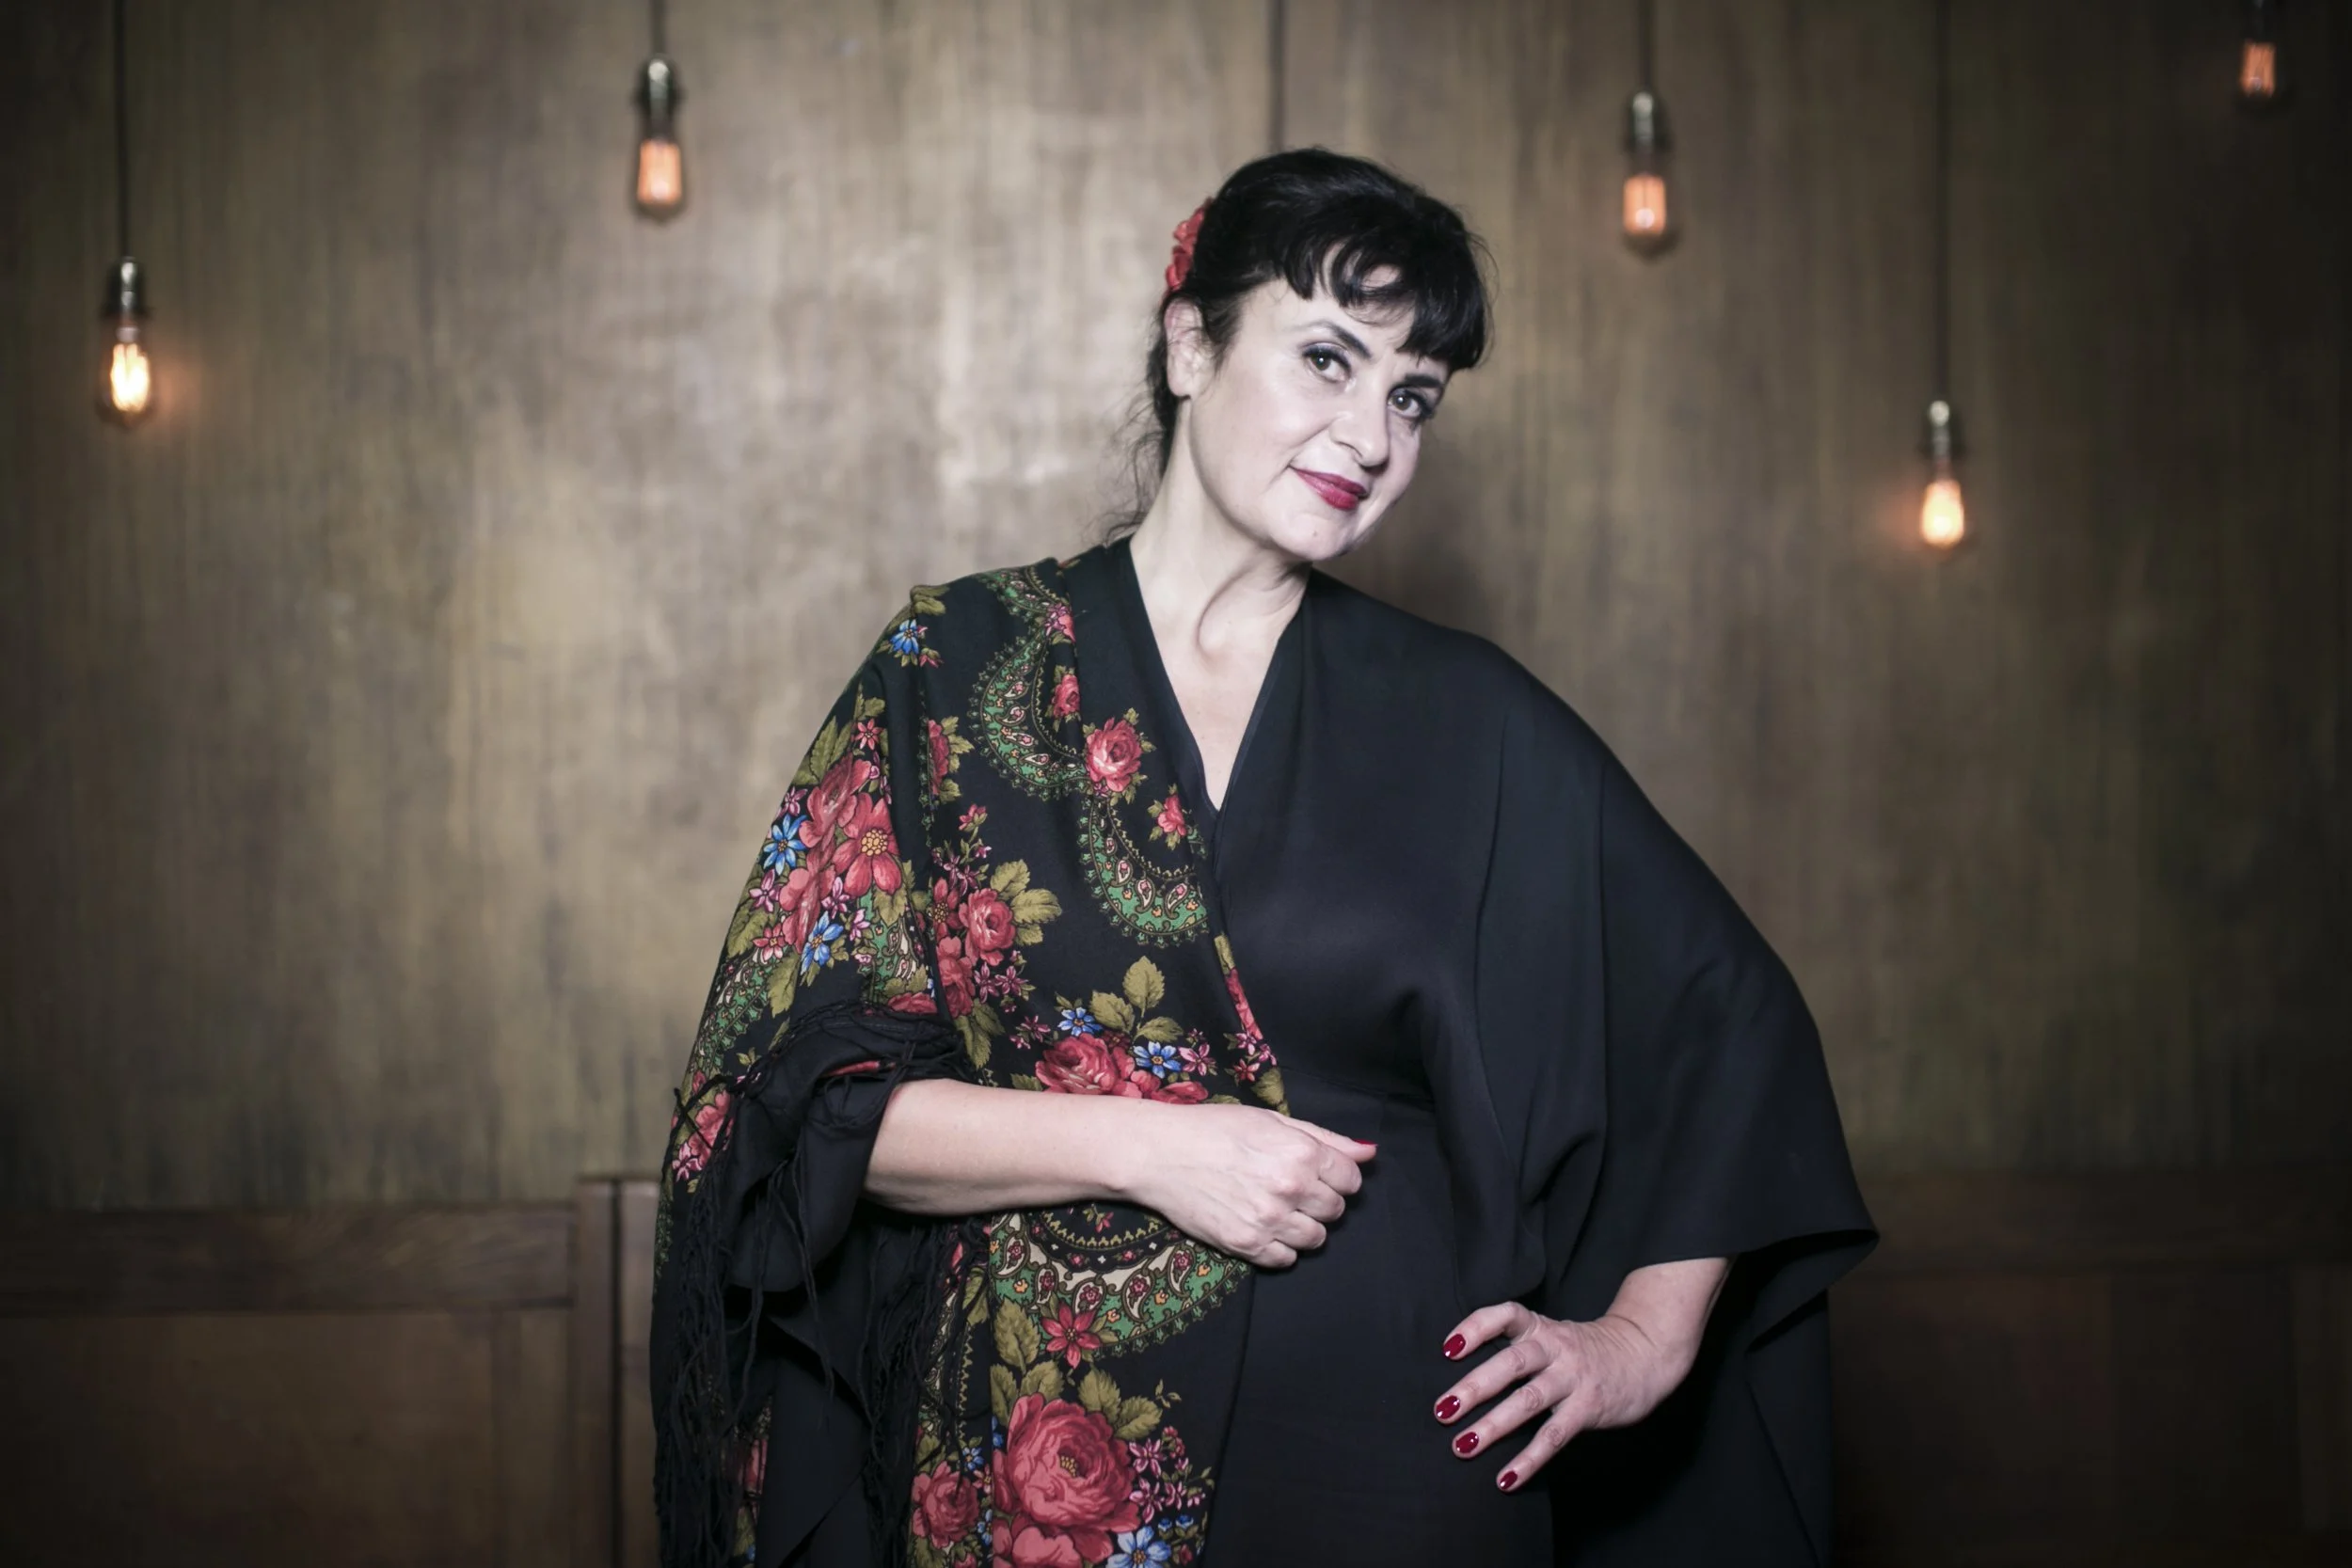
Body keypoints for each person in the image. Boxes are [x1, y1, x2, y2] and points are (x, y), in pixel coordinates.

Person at [651, 148, 1876, 1568]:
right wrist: (1158, 1149)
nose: (1373, 434)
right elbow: (780, 1111)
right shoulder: (956, 669)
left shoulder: (1471, 718)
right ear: (1191, 346)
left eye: (1412, 396)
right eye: (1328, 359)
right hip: (1032, 1486)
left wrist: (1642, 1341)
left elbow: (1730, 1026)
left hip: (1400, 1468)